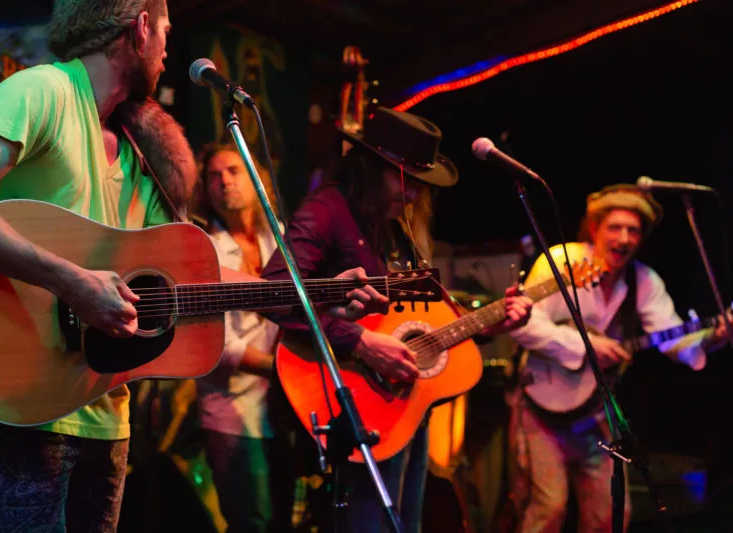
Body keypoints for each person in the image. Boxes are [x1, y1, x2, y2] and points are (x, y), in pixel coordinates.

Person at [0, 1, 383, 530]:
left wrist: (321, 292)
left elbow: (198, 279)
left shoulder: (142, 153)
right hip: (26, 397)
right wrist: (69, 280)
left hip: (108, 414)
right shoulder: (43, 92)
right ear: (141, 26)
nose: (169, 49)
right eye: (166, 31)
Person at [261, 106, 534, 533]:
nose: (411, 195)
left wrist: (490, 324)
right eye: (402, 180)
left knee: (403, 526)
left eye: (419, 186)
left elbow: (426, 318)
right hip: (351, 403)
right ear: (369, 168)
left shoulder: (396, 229)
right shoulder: (327, 209)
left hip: (405, 405)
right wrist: (360, 341)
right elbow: (274, 292)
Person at [507, 184, 729, 533]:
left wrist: (712, 337)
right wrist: (586, 345)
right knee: (548, 509)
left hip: (594, 411)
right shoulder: (563, 261)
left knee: (609, 516)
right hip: (540, 409)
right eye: (615, 227)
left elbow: (674, 339)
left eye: (634, 230)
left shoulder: (643, 280)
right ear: (594, 229)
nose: (624, 239)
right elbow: (522, 325)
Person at [192, 142, 290, 532]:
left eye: (233, 171)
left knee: (283, 519)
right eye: (214, 176)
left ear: (256, 179)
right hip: (232, 413)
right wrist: (281, 368)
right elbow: (215, 345)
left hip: (284, 408)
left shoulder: (279, 238)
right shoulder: (204, 250)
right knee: (253, 522)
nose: (223, 182)